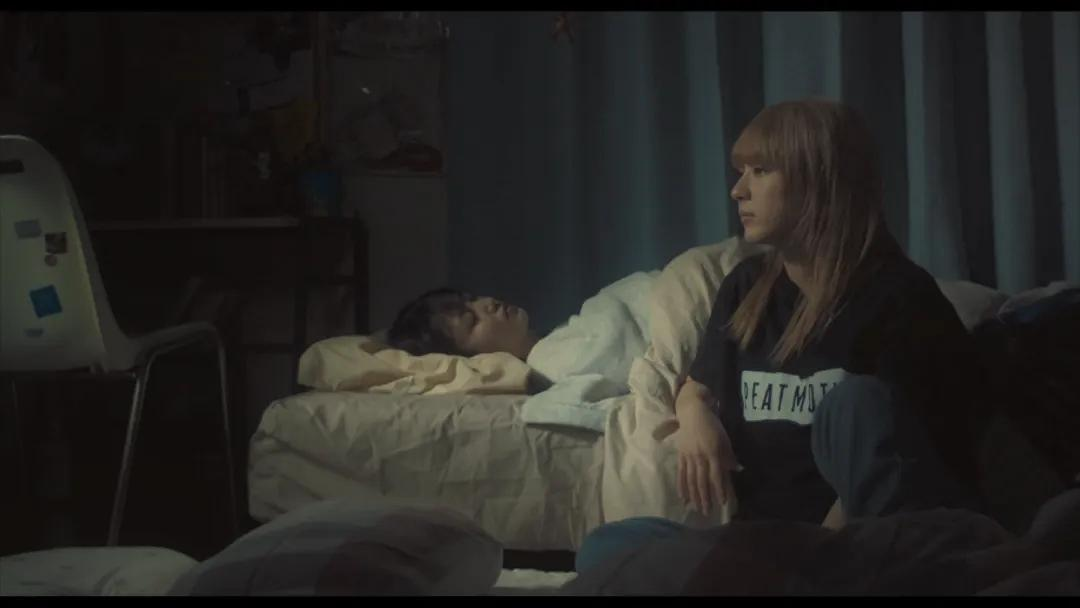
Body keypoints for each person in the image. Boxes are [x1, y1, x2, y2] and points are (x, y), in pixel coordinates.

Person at [575, 97, 989, 572]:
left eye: (760, 171)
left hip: (865, 547)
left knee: (855, 403)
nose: (738, 191)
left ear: (819, 182)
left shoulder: (902, 300)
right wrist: (694, 416)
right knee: (607, 548)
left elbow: (915, 465)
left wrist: (813, 558)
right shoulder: (745, 289)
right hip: (771, 544)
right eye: (741, 172)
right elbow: (697, 385)